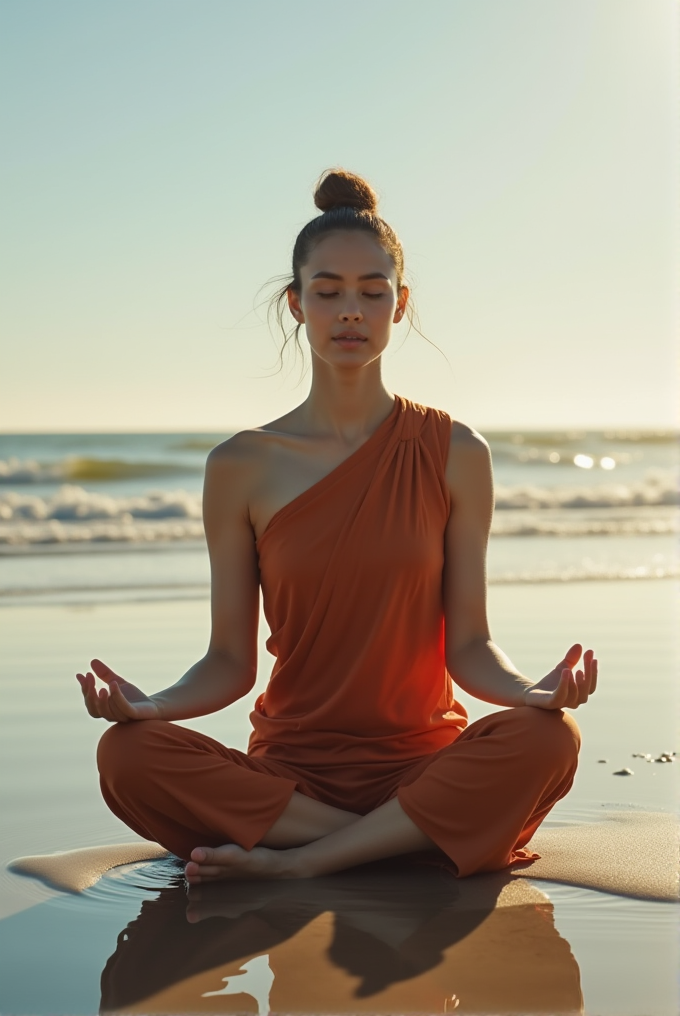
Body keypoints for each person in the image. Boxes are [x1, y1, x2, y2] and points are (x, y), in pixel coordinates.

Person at [77, 169, 597, 886]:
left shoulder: (455, 453)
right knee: (126, 755)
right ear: (297, 304)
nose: (350, 310)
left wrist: (531, 693)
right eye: (327, 291)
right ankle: (397, 842)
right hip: (294, 781)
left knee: (550, 738)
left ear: (400, 304)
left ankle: (311, 862)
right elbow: (230, 662)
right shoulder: (240, 465)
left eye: (372, 291)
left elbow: (470, 647)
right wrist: (149, 706)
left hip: (423, 765)